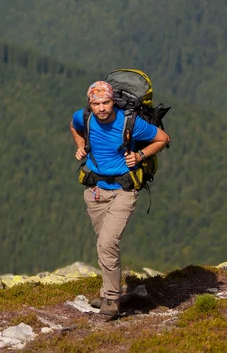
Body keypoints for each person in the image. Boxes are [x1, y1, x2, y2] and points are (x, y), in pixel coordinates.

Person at [70, 80, 170, 316]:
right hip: (95, 191)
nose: (102, 108)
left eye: (106, 102)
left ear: (113, 101)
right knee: (104, 244)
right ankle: (108, 293)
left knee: (107, 243)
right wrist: (81, 144)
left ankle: (112, 302)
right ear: (90, 104)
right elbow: (74, 127)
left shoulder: (129, 123)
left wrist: (140, 155)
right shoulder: (82, 117)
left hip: (124, 190)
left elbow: (163, 138)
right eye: (96, 103)